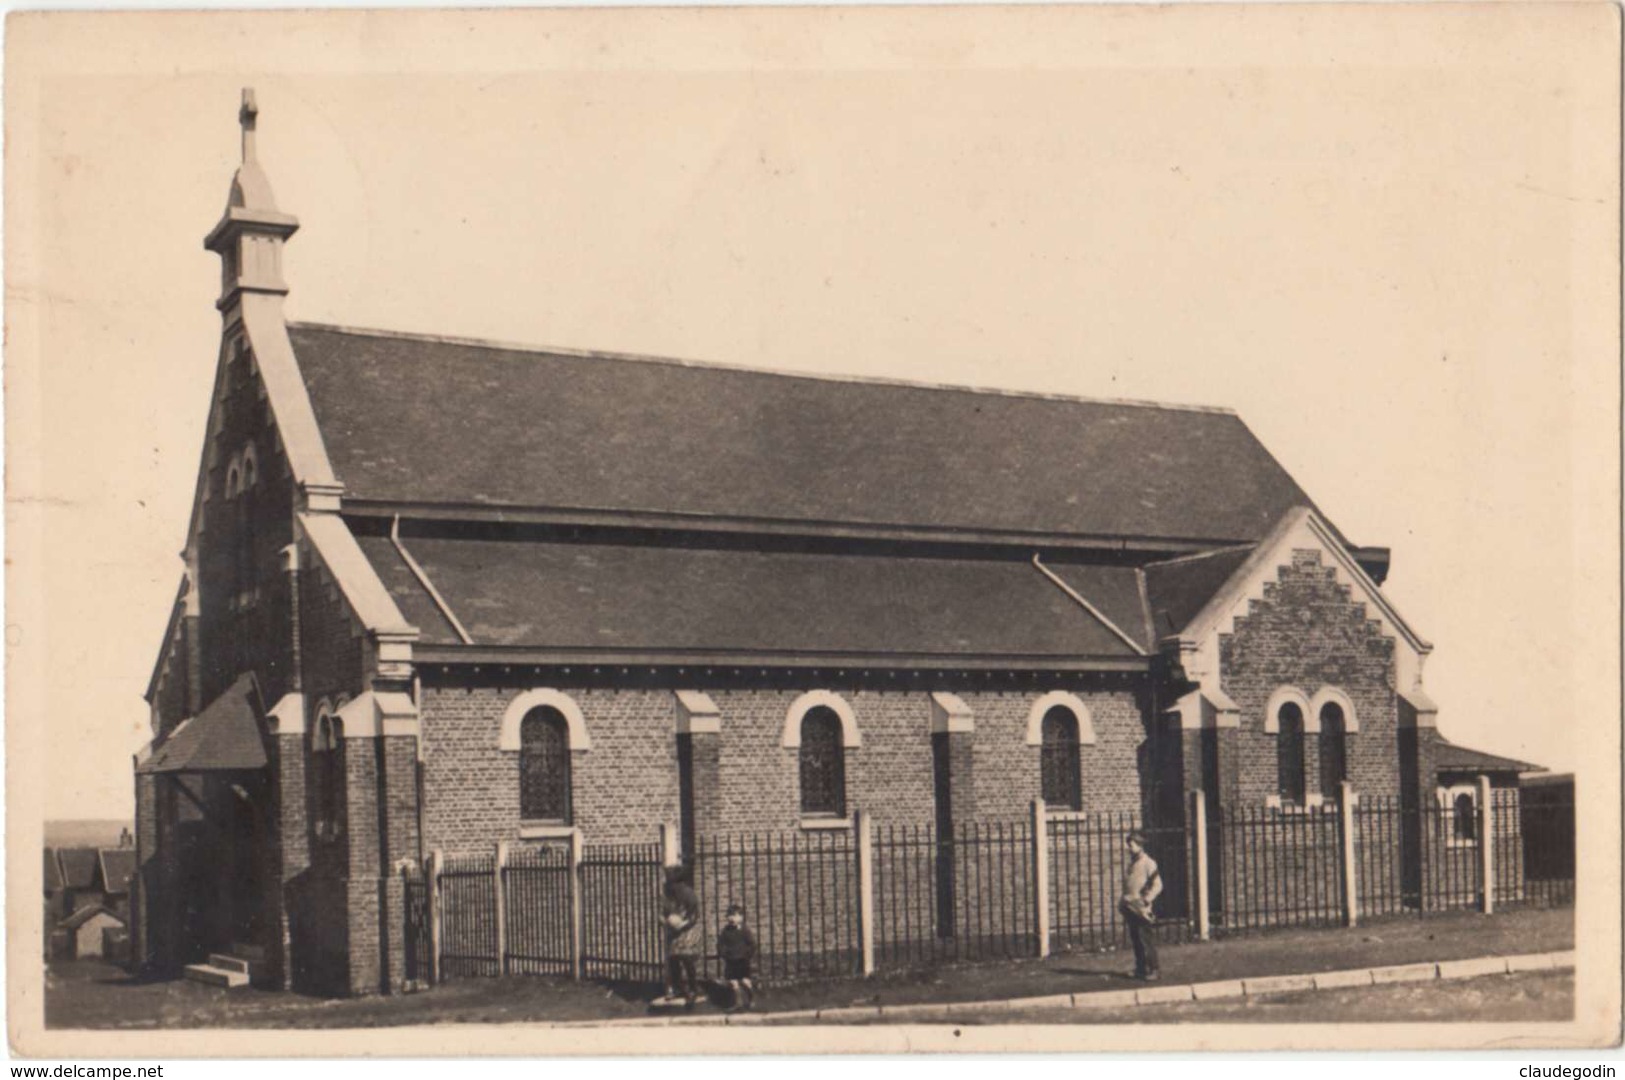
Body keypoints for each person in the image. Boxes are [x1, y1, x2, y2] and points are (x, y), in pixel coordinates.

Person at [1119, 829, 1162, 981]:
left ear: (1140, 845)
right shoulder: (1133, 863)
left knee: (1146, 940)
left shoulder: (1148, 863)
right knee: (1136, 939)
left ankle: (1154, 970)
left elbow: (1157, 885)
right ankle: (1141, 968)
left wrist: (1146, 900)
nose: (1128, 848)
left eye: (1131, 845)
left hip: (1141, 909)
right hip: (1130, 907)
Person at [660, 863, 704, 1008]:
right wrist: (666, 920)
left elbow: (694, 915)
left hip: (688, 929)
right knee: (673, 958)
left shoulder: (688, 893)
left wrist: (683, 924)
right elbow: (663, 912)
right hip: (675, 930)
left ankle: (693, 989)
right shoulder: (667, 894)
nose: (672, 885)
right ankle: (678, 987)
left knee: (686, 957)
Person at [717, 901, 758, 1012]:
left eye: (735, 915)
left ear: (741, 917)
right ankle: (738, 1003)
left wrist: (746, 955)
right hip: (731, 961)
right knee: (733, 983)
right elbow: (720, 944)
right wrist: (723, 954)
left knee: (745, 982)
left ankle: (751, 998)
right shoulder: (725, 931)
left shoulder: (745, 930)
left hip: (742, 961)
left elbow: (753, 944)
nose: (732, 918)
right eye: (729, 915)